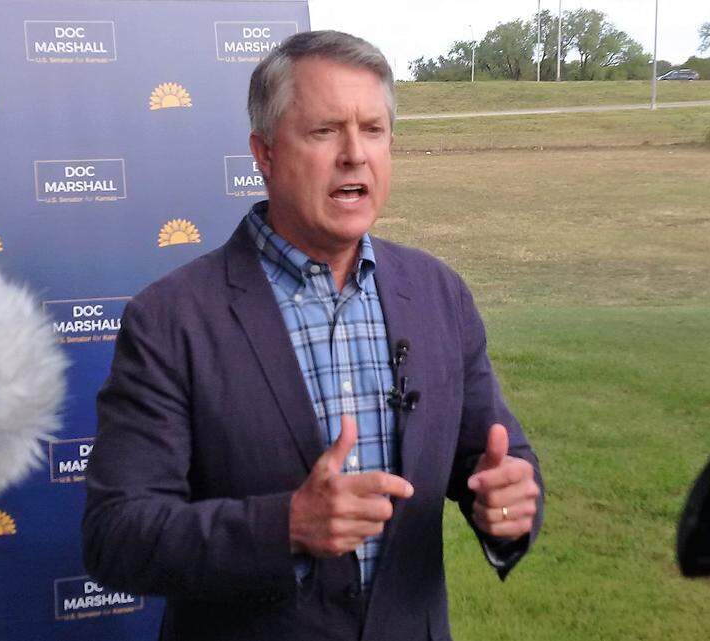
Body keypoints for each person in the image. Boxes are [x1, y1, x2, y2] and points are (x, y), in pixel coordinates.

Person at [82, 30, 544, 641]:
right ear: (265, 152)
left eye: (373, 130)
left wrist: (506, 503)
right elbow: (117, 533)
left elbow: (496, 458)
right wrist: (286, 526)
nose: (355, 154)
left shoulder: (438, 294)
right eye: (325, 130)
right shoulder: (170, 320)